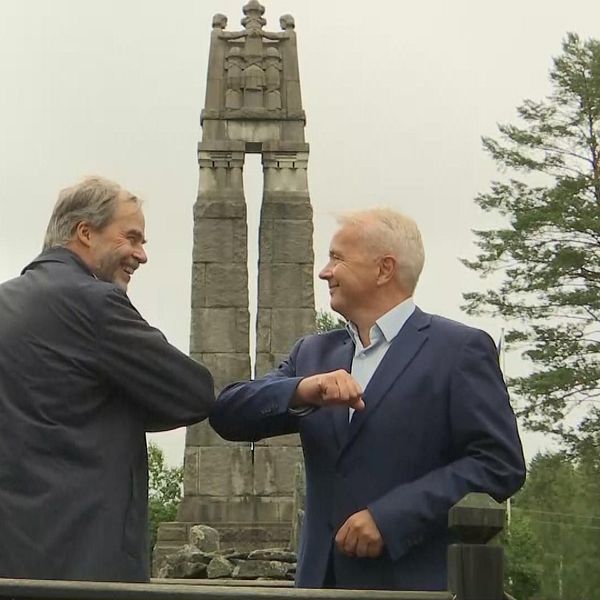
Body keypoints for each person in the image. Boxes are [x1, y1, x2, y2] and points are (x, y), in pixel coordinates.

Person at [209, 208, 526, 591]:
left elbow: (499, 464)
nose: (325, 271)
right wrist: (304, 389)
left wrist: (391, 518)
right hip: (318, 586)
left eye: (337, 258)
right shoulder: (312, 355)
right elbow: (228, 412)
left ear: (384, 269)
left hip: (411, 587)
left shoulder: (459, 351)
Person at [0, 176, 215, 583]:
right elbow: (195, 392)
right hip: (86, 564)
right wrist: (126, 392)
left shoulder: (6, 301)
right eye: (132, 238)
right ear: (85, 232)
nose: (142, 254)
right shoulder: (93, 301)